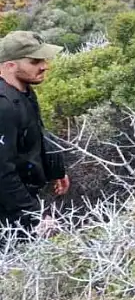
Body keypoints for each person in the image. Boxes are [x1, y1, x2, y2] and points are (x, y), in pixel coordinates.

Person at [0, 32, 69, 237]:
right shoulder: (3, 106)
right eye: (35, 61)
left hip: (22, 198)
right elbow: (2, 172)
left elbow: (37, 131)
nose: (44, 66)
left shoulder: (23, 90)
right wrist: (33, 217)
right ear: (9, 65)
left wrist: (56, 170)